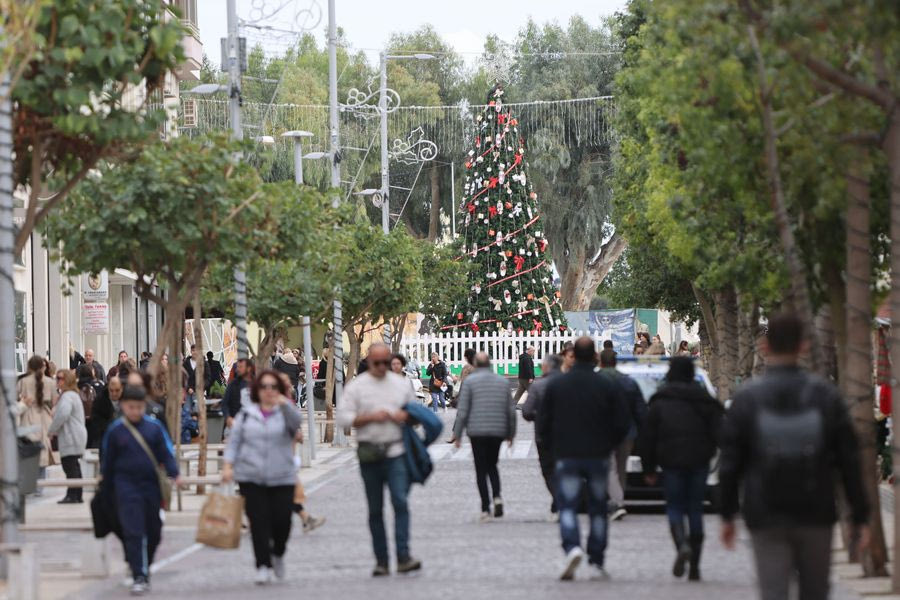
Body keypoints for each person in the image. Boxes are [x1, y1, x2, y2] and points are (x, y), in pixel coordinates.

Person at [719, 313, 869, 600]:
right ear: (803, 346)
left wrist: (727, 513)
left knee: (773, 591)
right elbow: (849, 460)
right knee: (816, 591)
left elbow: (731, 461)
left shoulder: (747, 399)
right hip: (816, 510)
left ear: (764, 346)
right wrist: (859, 516)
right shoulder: (825, 396)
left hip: (765, 510)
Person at [538, 337, 630, 581]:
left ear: (574, 356)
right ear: (594, 357)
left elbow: (543, 422)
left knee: (567, 504)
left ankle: (572, 546)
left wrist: (550, 447)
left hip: (567, 452)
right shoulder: (606, 385)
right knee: (598, 508)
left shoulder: (558, 385)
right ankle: (597, 560)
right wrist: (610, 442)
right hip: (598, 453)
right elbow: (622, 421)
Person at [337, 343, 421, 577]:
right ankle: (382, 560)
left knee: (400, 502)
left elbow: (416, 413)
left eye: (387, 362)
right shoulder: (357, 387)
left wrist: (404, 415)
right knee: (375, 509)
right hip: (369, 453)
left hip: (396, 451)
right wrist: (369, 417)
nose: (383, 367)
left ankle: (403, 555)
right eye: (378, 363)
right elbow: (343, 419)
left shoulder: (401, 384)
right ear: (369, 362)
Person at [640, 356, 722, 581]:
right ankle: (695, 565)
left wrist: (648, 467)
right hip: (699, 460)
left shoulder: (660, 401)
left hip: (671, 461)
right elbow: (721, 432)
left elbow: (648, 437)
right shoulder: (706, 400)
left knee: (675, 506)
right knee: (695, 508)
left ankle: (682, 545)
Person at [223, 370, 303, 585]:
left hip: (282, 476)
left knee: (282, 522)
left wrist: (284, 403)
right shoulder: (247, 414)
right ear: (257, 390)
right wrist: (228, 466)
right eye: (264, 387)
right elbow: (235, 442)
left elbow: (297, 423)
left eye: (273, 387)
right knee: (258, 523)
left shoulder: (285, 411)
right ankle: (262, 565)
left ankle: (277, 553)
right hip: (251, 476)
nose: (268, 391)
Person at [101, 384, 179, 595]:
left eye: (138, 407)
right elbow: (107, 462)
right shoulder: (116, 431)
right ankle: (139, 575)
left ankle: (145, 566)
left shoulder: (154, 428)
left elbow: (165, 454)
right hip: (125, 487)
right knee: (133, 530)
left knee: (154, 531)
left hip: (151, 486)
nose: (134, 411)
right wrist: (106, 488)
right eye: (130, 407)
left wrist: (175, 473)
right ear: (123, 407)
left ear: (144, 406)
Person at [453, 352, 516, 521]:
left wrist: (457, 434)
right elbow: (511, 410)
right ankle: (497, 497)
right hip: (497, 431)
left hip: (477, 431)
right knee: (492, 465)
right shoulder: (502, 382)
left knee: (481, 469)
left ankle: (485, 508)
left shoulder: (470, 383)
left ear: (475, 364)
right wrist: (511, 433)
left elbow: (463, 410)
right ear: (489, 364)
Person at [599, 349, 648, 522]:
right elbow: (640, 411)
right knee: (620, 469)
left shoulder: (597, 381)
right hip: (627, 432)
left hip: (603, 431)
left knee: (609, 467)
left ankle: (616, 502)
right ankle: (618, 500)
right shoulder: (628, 382)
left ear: (601, 362)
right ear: (615, 362)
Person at [521, 353, 564, 519]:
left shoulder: (539, 386)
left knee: (548, 470)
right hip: (566, 433)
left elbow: (526, 411)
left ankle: (558, 501)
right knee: (564, 468)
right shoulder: (566, 381)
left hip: (544, 433)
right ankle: (559, 502)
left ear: (547, 367)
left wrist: (538, 416)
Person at [17, 355, 58, 489]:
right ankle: (41, 484)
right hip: (44, 417)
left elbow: (16, 398)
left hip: (27, 415)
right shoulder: (50, 382)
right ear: (42, 367)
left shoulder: (23, 381)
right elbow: (54, 402)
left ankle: (30, 483)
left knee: (28, 449)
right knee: (43, 450)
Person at [48, 370, 88, 504]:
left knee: (69, 465)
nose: (57, 381)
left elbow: (63, 414)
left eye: (60, 378)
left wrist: (52, 429)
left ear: (68, 380)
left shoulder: (68, 396)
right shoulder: (70, 395)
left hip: (72, 435)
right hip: (74, 435)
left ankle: (73, 495)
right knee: (73, 465)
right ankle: (76, 494)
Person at [447, 348, 477, 444]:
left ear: (467, 357)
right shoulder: (478, 367)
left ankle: (455, 436)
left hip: (467, 396)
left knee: (460, 416)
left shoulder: (467, 368)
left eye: (465, 356)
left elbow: (461, 382)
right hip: (476, 396)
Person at [77, 364, 104, 448]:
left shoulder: (76, 385)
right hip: (94, 418)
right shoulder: (98, 384)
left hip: (80, 418)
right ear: (92, 372)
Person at [92, 374, 122, 450]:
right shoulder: (100, 401)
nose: (114, 394)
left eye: (117, 390)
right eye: (111, 391)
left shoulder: (127, 400)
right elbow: (96, 421)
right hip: (105, 437)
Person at [223, 358, 254, 427]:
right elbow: (224, 404)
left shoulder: (256, 384)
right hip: (236, 423)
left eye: (240, 367)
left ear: (248, 368)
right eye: (237, 367)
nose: (237, 369)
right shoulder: (233, 384)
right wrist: (228, 417)